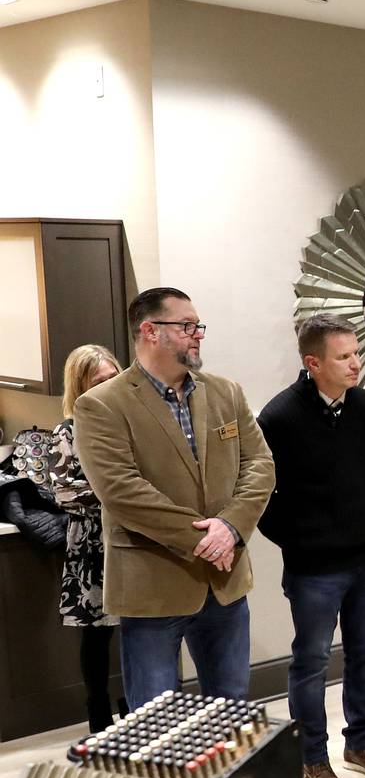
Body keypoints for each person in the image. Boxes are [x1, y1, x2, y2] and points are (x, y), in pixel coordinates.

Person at [73, 288, 274, 705]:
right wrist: (205, 539)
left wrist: (230, 528)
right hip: (153, 583)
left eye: (197, 325)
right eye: (186, 326)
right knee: (154, 718)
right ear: (150, 331)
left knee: (231, 709)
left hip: (225, 580)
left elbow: (260, 466)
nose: (197, 333)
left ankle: (228, 774)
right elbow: (122, 491)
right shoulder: (100, 406)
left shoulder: (226, 392)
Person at [257, 314, 365, 778]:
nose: (356, 364)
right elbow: (259, 498)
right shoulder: (279, 417)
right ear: (312, 363)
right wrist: (302, 542)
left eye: (357, 353)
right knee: (312, 661)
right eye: (344, 357)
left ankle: (360, 745)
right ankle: (311, 757)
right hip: (315, 567)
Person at [49, 345, 123, 732]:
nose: (110, 386)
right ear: (80, 386)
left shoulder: (134, 420)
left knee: (140, 631)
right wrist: (117, 491)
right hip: (93, 544)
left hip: (133, 537)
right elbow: (65, 492)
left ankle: (136, 706)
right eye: (99, 381)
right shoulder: (68, 431)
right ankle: (98, 711)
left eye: (115, 377)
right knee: (98, 634)